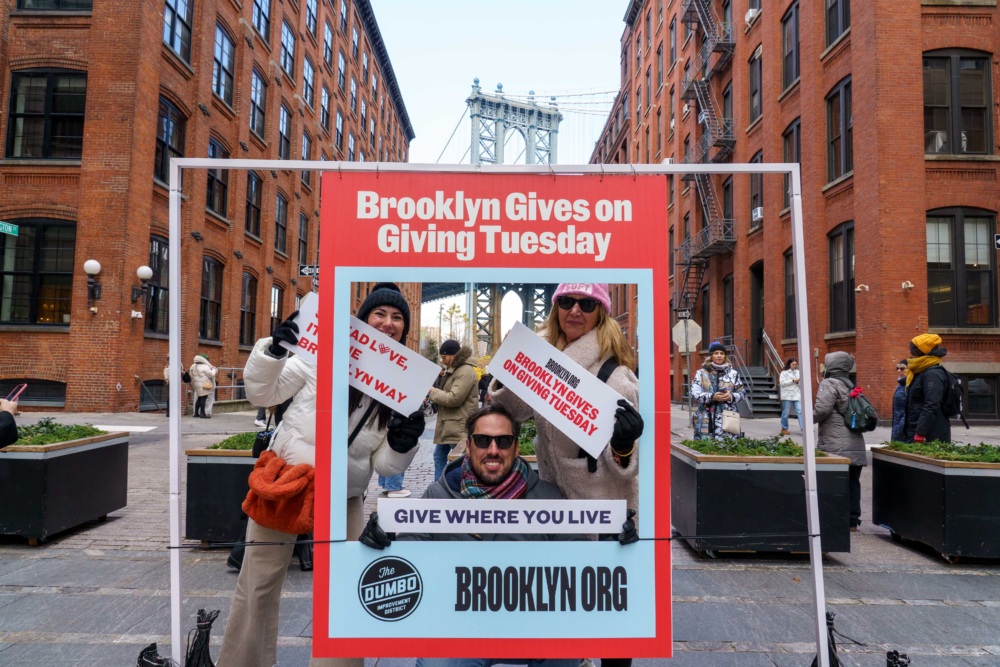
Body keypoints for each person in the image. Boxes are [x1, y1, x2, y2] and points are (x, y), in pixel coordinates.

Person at [216, 282, 425, 667]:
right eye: (380, 313)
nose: (388, 323)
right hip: (288, 483)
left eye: (397, 318)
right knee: (257, 585)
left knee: (345, 591)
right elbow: (264, 393)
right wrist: (273, 352)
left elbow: (384, 467)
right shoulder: (320, 356)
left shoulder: (401, 387)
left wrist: (403, 442)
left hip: (343, 495)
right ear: (363, 319)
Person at [360, 403, 637, 667]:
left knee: (565, 651)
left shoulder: (547, 499)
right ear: (468, 447)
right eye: (482, 440)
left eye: (503, 441)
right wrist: (384, 546)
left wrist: (609, 551)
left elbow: (580, 564)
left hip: (536, 630)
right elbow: (410, 557)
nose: (493, 450)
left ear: (516, 448)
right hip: (462, 632)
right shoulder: (438, 496)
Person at [488, 283, 642, 667]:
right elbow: (512, 410)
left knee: (612, 615)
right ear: (556, 308)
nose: (576, 310)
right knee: (563, 604)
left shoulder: (616, 376)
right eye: (566, 302)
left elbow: (624, 467)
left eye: (587, 303)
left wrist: (623, 445)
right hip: (556, 506)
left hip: (602, 509)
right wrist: (511, 364)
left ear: (600, 313)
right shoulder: (544, 362)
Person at [813, 351, 866, 530]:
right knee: (852, 481)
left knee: (834, 480)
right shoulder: (850, 383)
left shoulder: (829, 383)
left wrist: (806, 417)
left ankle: (835, 518)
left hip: (835, 443)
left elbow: (822, 410)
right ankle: (852, 520)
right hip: (854, 442)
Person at [427, 338, 480, 481]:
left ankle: (452, 489)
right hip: (449, 424)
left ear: (452, 355)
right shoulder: (456, 370)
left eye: (444, 357)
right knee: (439, 456)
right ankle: (439, 487)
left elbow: (453, 398)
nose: (442, 361)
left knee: (459, 461)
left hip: (458, 425)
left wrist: (432, 392)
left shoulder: (465, 371)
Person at [690, 341, 746, 439]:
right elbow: (694, 394)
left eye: (722, 353)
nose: (719, 356)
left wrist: (731, 396)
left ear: (725, 356)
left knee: (728, 447)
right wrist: (712, 396)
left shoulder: (733, 374)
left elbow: (742, 393)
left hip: (728, 418)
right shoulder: (701, 373)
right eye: (716, 353)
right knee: (705, 448)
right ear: (711, 356)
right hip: (706, 417)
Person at [903, 333, 951, 444]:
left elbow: (932, 404)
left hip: (929, 434)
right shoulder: (919, 371)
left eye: (913, 349)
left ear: (921, 351)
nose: (910, 352)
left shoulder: (932, 374)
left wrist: (920, 433)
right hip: (916, 428)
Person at [779, 357, 803, 435]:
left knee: (800, 411)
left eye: (796, 364)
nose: (794, 366)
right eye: (793, 364)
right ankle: (784, 428)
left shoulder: (798, 372)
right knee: (786, 413)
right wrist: (793, 381)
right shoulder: (784, 372)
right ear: (789, 364)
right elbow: (782, 383)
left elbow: (801, 382)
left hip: (796, 394)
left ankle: (804, 428)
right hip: (787, 395)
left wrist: (797, 382)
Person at [188, 353, 217, 418]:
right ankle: (202, 413)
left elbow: (190, 375)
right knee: (203, 399)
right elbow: (211, 374)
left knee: (199, 398)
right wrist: (214, 370)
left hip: (196, 385)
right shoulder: (205, 366)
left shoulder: (193, 366)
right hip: (204, 385)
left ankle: (196, 413)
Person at [891, 360, 908, 443]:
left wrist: (901, 427)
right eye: (897, 368)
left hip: (904, 428)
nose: (898, 371)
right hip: (897, 425)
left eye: (902, 368)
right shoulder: (900, 385)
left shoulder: (908, 386)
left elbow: (909, 408)